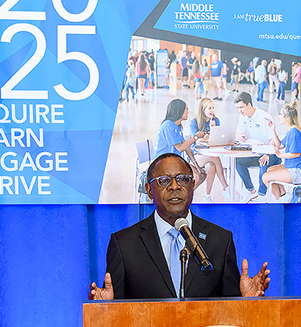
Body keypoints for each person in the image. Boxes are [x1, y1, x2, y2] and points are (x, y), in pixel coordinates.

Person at [89, 152, 269, 300]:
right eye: (164, 180)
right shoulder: (124, 244)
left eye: (182, 179)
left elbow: (229, 309)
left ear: (192, 186)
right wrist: (103, 308)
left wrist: (246, 299)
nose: (174, 186)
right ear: (149, 190)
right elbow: (116, 312)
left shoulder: (220, 240)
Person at [233, 92, 281, 202]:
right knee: (239, 162)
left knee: (263, 161)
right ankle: (251, 191)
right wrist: (240, 136)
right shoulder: (243, 117)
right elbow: (238, 133)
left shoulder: (264, 117)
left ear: (249, 104)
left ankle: (262, 196)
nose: (239, 110)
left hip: (271, 155)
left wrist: (266, 154)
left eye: (241, 107)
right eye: (237, 108)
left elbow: (272, 139)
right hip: (254, 153)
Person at [262, 103, 301, 200]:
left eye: (280, 114)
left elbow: (296, 153)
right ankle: (284, 196)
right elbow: (279, 145)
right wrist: (273, 130)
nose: (278, 116)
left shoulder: (294, 133)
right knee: (269, 170)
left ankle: (280, 199)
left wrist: (280, 155)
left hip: (298, 172)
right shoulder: (291, 131)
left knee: (265, 177)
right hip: (294, 167)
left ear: (287, 118)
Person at [189, 98, 229, 202]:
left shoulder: (216, 120)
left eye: (213, 108)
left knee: (211, 166)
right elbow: (197, 142)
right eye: (209, 108)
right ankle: (225, 186)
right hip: (196, 156)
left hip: (210, 154)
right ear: (203, 110)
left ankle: (207, 196)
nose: (212, 110)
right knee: (214, 157)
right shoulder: (194, 122)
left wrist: (214, 131)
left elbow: (218, 139)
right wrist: (208, 134)